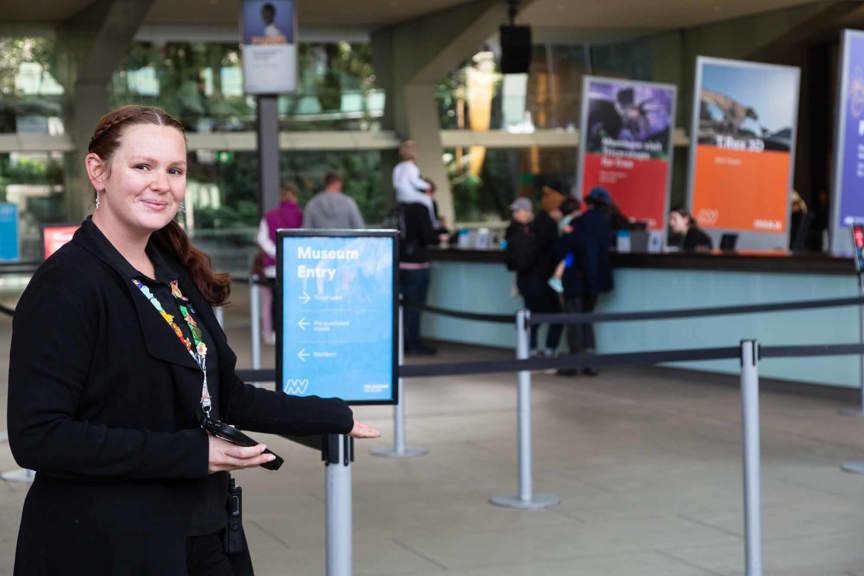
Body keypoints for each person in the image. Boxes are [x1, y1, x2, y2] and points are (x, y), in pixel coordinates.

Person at [6, 105, 380, 576]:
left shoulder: (172, 272)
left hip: (202, 531)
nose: (162, 183)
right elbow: (39, 437)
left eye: (175, 170)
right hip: (108, 543)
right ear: (98, 171)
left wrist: (331, 414)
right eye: (143, 166)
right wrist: (193, 453)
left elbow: (225, 396)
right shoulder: (67, 284)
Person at [555, 189, 614, 376]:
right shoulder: (606, 225)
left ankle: (575, 363)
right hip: (595, 281)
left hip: (576, 279)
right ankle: (590, 362)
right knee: (588, 318)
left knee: (574, 320)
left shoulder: (578, 223)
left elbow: (565, 250)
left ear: (588, 203)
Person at [504, 196, 563, 358]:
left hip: (524, 279)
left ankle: (531, 349)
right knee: (556, 315)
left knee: (532, 314)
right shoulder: (544, 227)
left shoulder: (512, 230)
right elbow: (555, 252)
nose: (515, 214)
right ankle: (550, 350)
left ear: (527, 211)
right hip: (541, 278)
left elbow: (507, 253)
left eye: (518, 210)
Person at [256, 184, 303, 344]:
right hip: (295, 266)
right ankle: (294, 330)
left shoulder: (270, 216)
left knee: (275, 302)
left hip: (272, 268)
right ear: (295, 198)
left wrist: (276, 252)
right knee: (294, 300)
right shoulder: (301, 216)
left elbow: (261, 238)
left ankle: (275, 333)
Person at [398, 195, 439, 355]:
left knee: (402, 307)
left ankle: (402, 342)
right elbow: (428, 236)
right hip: (417, 264)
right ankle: (413, 342)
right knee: (414, 307)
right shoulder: (420, 208)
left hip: (399, 263)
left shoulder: (398, 208)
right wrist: (440, 235)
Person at [392, 140, 436, 226]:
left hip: (400, 197)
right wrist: (428, 185)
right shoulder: (411, 166)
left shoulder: (398, 167)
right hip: (410, 196)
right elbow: (415, 182)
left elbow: (395, 184)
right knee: (428, 200)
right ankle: (433, 222)